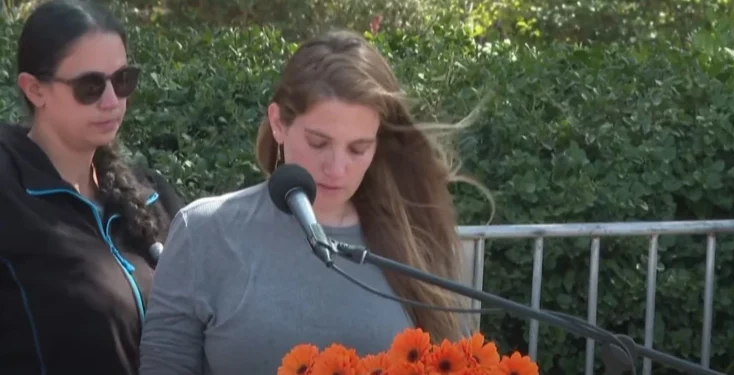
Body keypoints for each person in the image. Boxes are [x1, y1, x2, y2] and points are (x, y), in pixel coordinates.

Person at [139, 29, 491, 374]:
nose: (336, 168)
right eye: (318, 142)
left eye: (358, 148)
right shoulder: (204, 232)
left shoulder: (416, 236)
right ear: (278, 123)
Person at [0, 1, 184, 374]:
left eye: (123, 80)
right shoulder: (10, 192)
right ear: (35, 89)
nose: (112, 101)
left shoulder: (151, 195)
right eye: (90, 86)